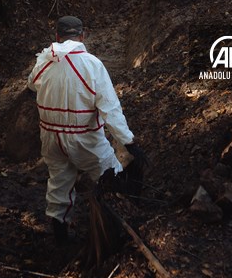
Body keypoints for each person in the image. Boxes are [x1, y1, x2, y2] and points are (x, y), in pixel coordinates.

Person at [27, 16, 146, 243]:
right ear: (82, 36)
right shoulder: (92, 64)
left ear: (57, 36)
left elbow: (31, 85)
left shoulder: (43, 61)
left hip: (51, 139)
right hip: (85, 138)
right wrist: (128, 142)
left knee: (59, 187)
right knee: (111, 177)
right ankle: (117, 235)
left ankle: (61, 244)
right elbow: (110, 109)